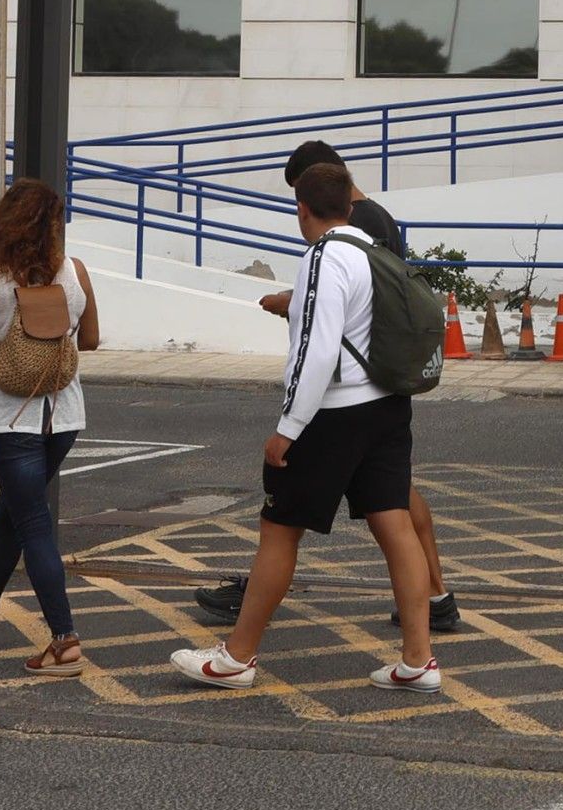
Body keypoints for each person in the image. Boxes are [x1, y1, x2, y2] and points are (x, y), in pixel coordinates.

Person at [171, 161, 440, 693]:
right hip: (388, 406)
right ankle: (418, 660)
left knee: (279, 529)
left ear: (302, 208)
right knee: (395, 526)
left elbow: (317, 352)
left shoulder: (323, 257)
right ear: (348, 205)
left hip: (333, 414)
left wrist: (288, 427)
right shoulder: (370, 249)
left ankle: (237, 657)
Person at [0, 179, 99, 676]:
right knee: (13, 515)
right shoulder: (76, 272)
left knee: (30, 523)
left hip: (13, 420)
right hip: (64, 417)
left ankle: (64, 639)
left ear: (5, 221)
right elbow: (89, 340)